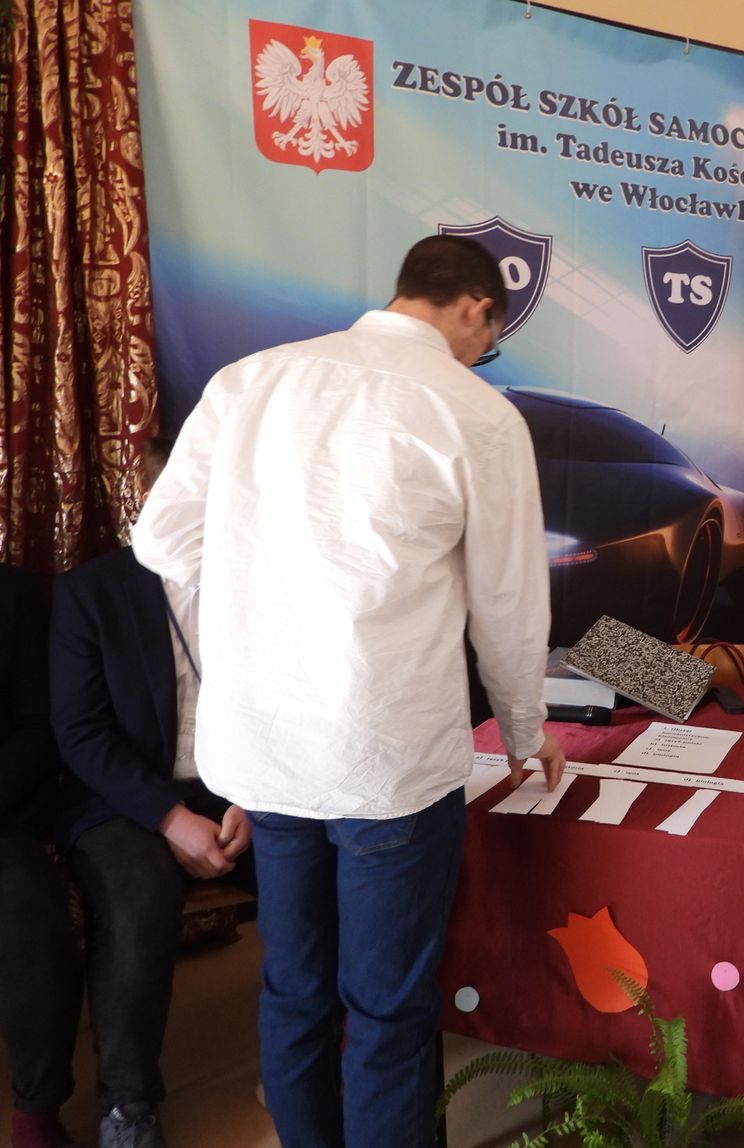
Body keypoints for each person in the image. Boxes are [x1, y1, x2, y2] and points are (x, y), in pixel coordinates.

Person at [132, 235, 566, 1148]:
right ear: (477, 308)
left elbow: (161, 539)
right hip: (387, 759)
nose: (482, 354)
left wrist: (270, 588)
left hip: (268, 751)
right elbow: (508, 603)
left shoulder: (250, 382)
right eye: (488, 340)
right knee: (388, 1007)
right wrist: (526, 729)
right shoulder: (476, 414)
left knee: (294, 987)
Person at [50, 437, 256, 1148]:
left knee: (318, 867)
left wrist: (254, 798)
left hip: (245, 788)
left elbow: (287, 708)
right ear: (147, 499)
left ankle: (309, 1061)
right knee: (139, 897)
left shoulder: (263, 583)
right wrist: (169, 817)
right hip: (122, 796)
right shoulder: (92, 592)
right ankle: (127, 1104)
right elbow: (80, 734)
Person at [0, 565, 85, 1148]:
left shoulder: (16, 595)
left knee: (30, 911)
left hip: (2, 816)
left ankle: (36, 1113)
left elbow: (39, 728)